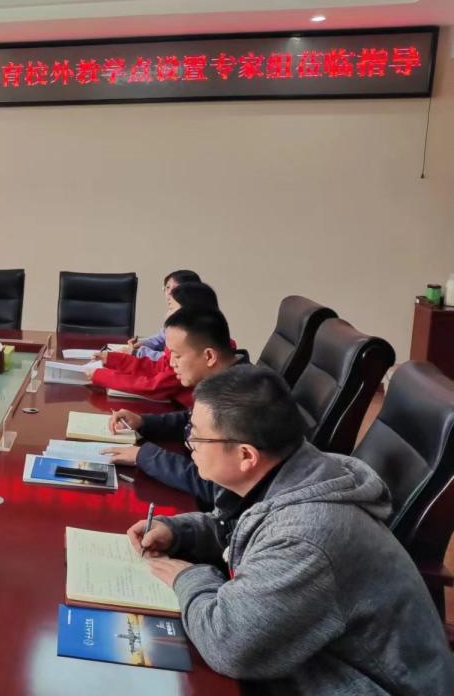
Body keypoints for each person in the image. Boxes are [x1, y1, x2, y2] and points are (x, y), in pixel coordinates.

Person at [127, 366, 454, 694]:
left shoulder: (306, 536)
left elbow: (227, 645)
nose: (190, 444)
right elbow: (240, 527)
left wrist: (186, 576)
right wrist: (178, 531)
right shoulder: (294, 471)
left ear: (246, 456)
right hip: (313, 660)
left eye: (197, 436)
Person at [101, 306, 240, 506]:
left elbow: (216, 488)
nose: (171, 363)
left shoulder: (239, 402)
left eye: (177, 355)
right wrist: (143, 422)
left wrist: (145, 456)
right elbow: (191, 420)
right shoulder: (225, 381)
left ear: (209, 356)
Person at [89, 282, 222, 405]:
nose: (167, 314)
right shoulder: (185, 347)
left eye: (171, 308)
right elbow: (159, 367)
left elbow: (154, 386)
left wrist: (101, 375)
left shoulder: (192, 351)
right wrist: (114, 359)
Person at [126, 269, 201, 361]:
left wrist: (138, 352)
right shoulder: (176, 314)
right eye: (167, 288)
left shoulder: (194, 321)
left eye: (176, 289)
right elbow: (161, 338)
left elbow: (172, 359)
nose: (169, 293)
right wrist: (143, 344)